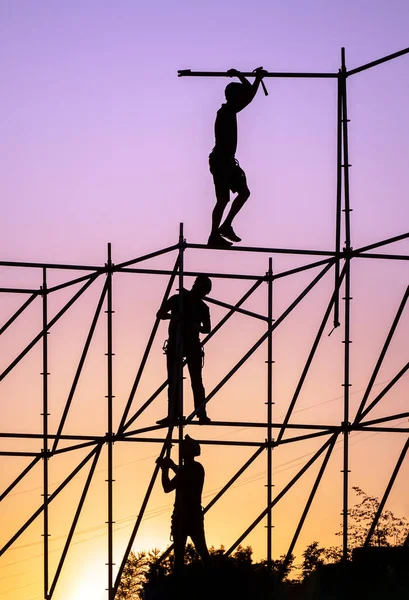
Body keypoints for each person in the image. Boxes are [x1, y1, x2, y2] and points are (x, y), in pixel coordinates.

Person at [208, 67, 267, 249]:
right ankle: (220, 230)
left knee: (227, 198)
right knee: (236, 195)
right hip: (222, 161)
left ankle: (217, 233)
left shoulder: (227, 111)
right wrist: (250, 77)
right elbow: (249, 96)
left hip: (221, 161)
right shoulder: (227, 111)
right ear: (234, 96)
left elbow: (248, 95)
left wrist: (254, 78)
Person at [156, 275, 212, 425]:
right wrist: (174, 316)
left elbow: (207, 329)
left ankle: (201, 413)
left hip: (192, 345)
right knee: (174, 381)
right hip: (176, 344)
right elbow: (160, 314)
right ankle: (174, 415)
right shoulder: (178, 299)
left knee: (196, 381)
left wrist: (196, 327)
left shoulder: (202, 307)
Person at [157, 435, 210, 572]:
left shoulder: (196, 468)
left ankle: (211, 577)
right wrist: (164, 470)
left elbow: (186, 477)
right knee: (178, 556)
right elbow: (167, 487)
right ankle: (178, 582)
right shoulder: (182, 470)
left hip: (193, 516)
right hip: (180, 516)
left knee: (202, 550)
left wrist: (172, 466)